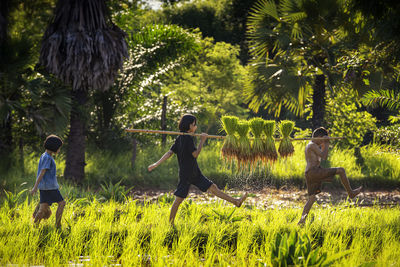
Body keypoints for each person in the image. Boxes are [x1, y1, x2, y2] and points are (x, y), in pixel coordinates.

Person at [148, 114, 248, 225]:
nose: (196, 127)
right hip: (187, 174)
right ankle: (170, 224)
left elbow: (169, 153)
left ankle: (236, 202)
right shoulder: (187, 139)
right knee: (179, 199)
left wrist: (156, 164)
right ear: (189, 126)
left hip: (194, 172)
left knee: (213, 187)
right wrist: (202, 140)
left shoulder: (180, 138)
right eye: (194, 125)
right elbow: (195, 154)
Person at [298, 127, 362, 225]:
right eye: (322, 139)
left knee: (312, 199)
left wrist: (324, 144)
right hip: (314, 172)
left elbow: (323, 155)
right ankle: (351, 193)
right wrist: (326, 143)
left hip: (310, 173)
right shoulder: (312, 145)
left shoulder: (313, 145)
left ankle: (301, 221)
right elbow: (324, 156)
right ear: (319, 137)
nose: (322, 142)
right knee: (341, 170)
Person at [30, 135, 66, 228]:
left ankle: (35, 227)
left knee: (43, 209)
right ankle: (58, 225)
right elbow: (42, 173)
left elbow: (46, 173)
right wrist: (35, 187)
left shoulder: (44, 155)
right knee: (62, 203)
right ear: (54, 147)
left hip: (45, 187)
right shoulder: (47, 158)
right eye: (59, 148)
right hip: (50, 187)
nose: (59, 150)